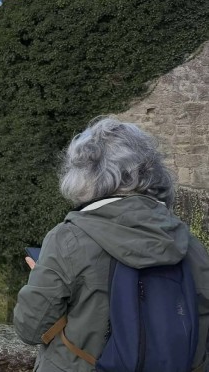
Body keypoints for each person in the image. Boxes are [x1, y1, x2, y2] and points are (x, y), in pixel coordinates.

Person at [13, 117, 209, 371]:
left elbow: (30, 328)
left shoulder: (68, 238)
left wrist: (40, 276)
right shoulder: (188, 243)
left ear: (84, 174)